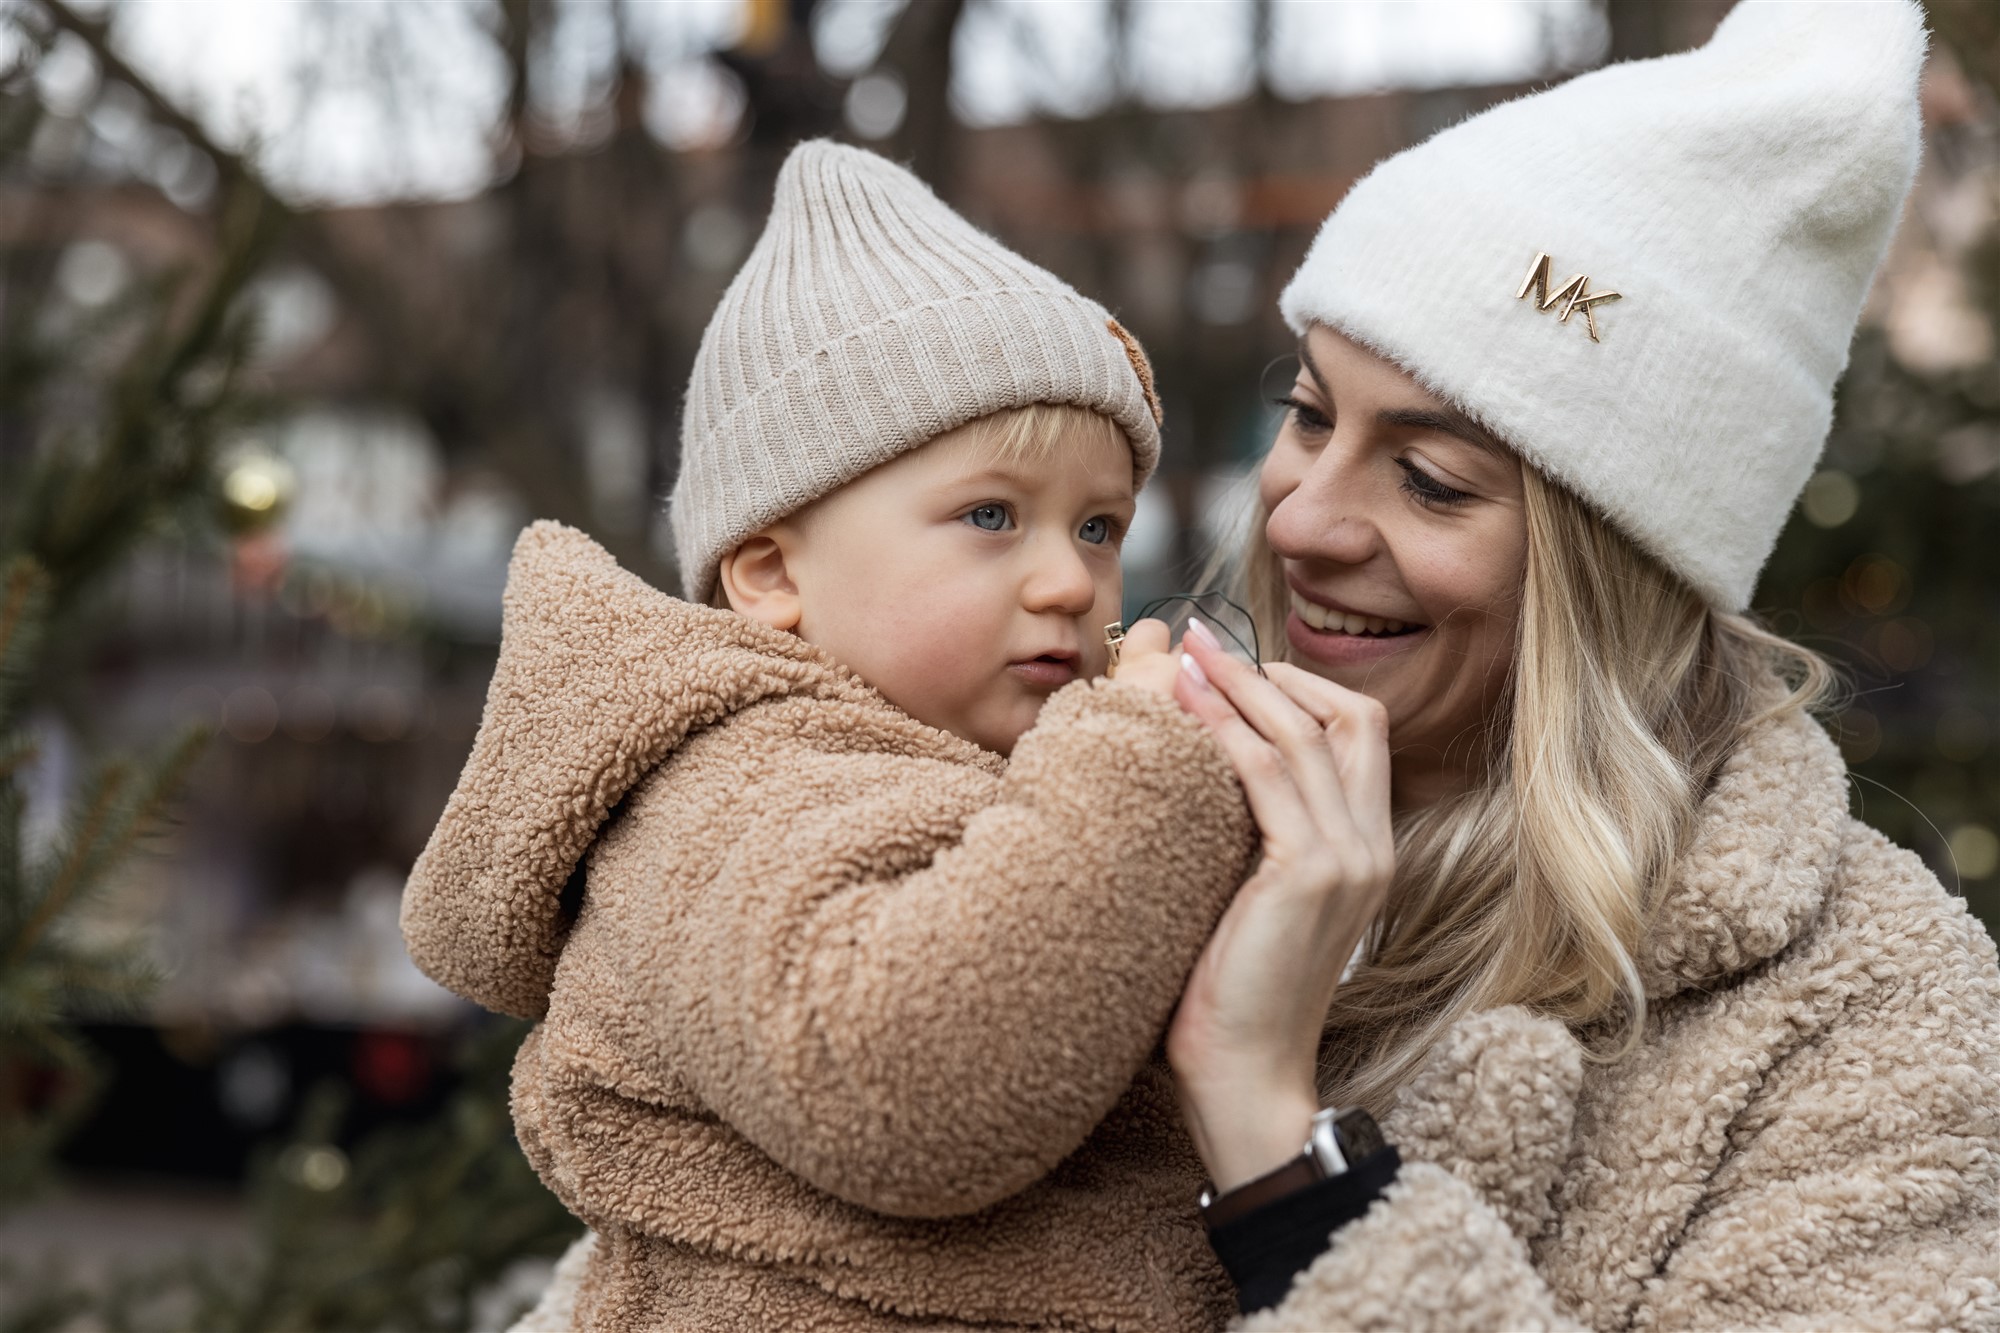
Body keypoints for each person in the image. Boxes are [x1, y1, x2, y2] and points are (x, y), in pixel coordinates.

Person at [1155, 0, 2000, 1326]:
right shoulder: (1101, 793)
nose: (1302, 517)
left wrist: (1277, 1141)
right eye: (1307, 413)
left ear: (1612, 576)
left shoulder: (1861, 1014)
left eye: (1431, 480)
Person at [401, 141, 1259, 1332]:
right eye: (991, 515)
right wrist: (1143, 778)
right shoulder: (719, 788)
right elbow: (905, 1087)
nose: (1069, 579)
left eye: (1100, 526)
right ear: (767, 572)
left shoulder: (1015, 782)